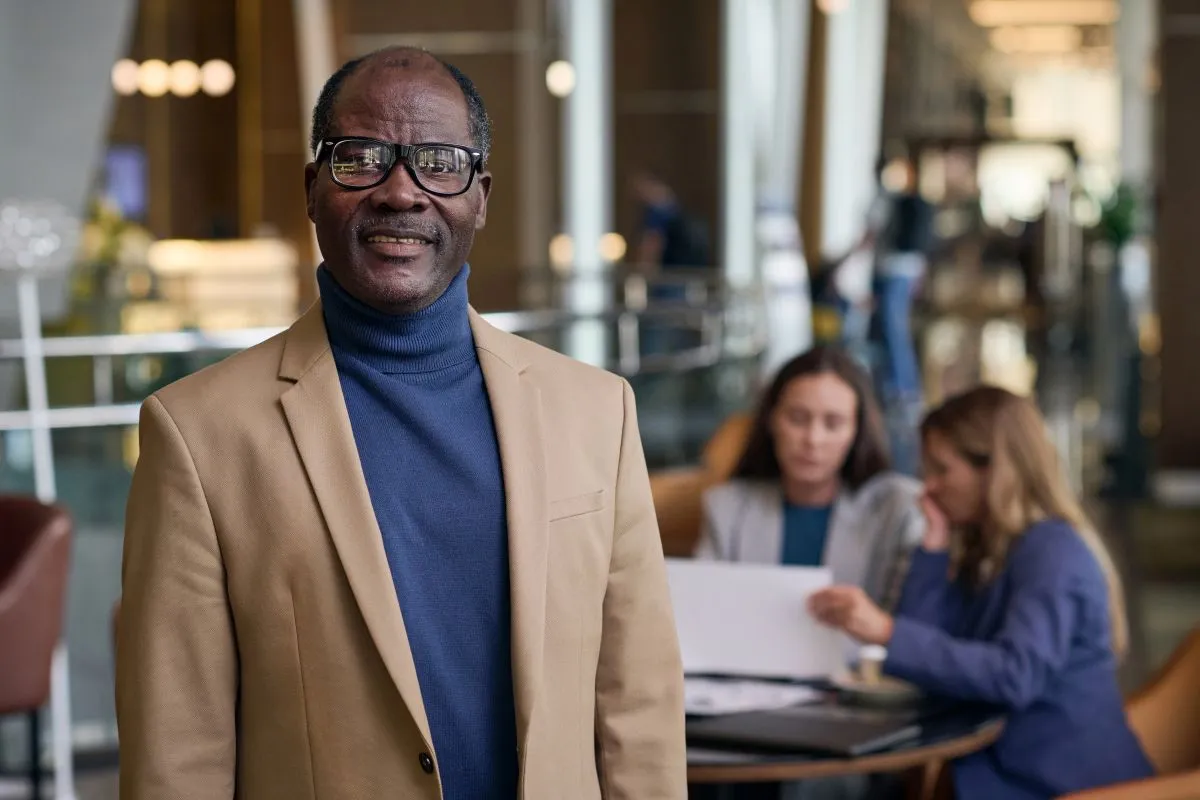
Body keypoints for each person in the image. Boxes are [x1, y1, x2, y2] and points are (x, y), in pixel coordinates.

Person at [116, 47, 687, 799]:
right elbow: (176, 755)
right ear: (313, 186)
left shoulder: (596, 411)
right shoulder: (198, 435)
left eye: (439, 162)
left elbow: (638, 710)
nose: (401, 192)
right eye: (361, 158)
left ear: (480, 195)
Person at [809, 386, 1153, 799]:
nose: (928, 488)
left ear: (994, 470)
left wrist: (885, 630)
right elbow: (924, 663)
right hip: (998, 770)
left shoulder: (1054, 553)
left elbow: (1013, 676)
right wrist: (933, 547)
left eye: (941, 470)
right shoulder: (992, 548)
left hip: (1060, 783)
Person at [695, 346, 923, 610]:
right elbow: (706, 610)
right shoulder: (727, 508)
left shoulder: (896, 507)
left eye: (833, 423)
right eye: (797, 418)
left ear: (857, 431)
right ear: (771, 420)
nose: (813, 440)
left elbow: (905, 624)